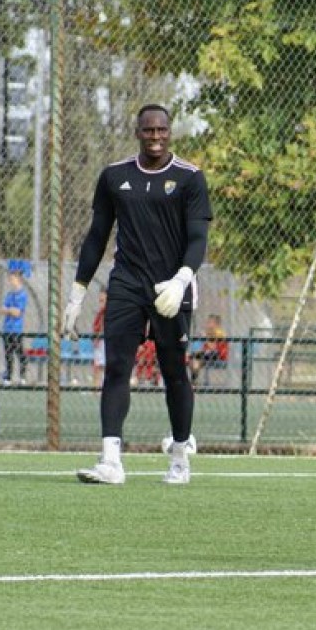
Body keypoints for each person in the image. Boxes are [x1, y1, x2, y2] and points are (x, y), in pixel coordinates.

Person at [64, 104, 214, 485]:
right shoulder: (115, 176)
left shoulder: (190, 178)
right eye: (148, 131)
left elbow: (198, 239)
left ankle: (180, 456)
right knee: (116, 368)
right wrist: (77, 294)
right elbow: (97, 236)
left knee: (174, 372)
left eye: (162, 130)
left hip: (170, 287)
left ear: (170, 132)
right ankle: (111, 460)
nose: (155, 137)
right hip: (127, 283)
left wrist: (181, 279)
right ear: (137, 132)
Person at [0, 269, 29, 386]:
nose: (10, 281)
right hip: (7, 328)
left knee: (19, 352)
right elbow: (2, 309)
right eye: (10, 279)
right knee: (8, 354)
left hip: (16, 329)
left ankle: (22, 376)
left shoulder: (22, 295)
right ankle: (8, 377)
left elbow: (18, 312)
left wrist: (9, 310)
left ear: (18, 280)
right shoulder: (9, 295)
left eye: (12, 279)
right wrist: (10, 310)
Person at [189, 314, 229, 385]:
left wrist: (205, 338)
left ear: (216, 324)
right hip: (207, 355)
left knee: (196, 357)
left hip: (218, 355)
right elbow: (204, 348)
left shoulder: (219, 334)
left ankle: (193, 381)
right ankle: (193, 381)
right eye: (208, 322)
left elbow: (213, 348)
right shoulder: (209, 332)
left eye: (210, 322)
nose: (208, 324)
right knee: (194, 358)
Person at [92, 289, 107, 387]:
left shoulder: (110, 313)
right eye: (99, 300)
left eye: (103, 301)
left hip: (109, 341)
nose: (100, 303)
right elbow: (96, 327)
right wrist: (96, 338)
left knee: (106, 365)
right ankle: (96, 386)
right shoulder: (100, 313)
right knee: (97, 364)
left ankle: (103, 387)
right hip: (101, 341)